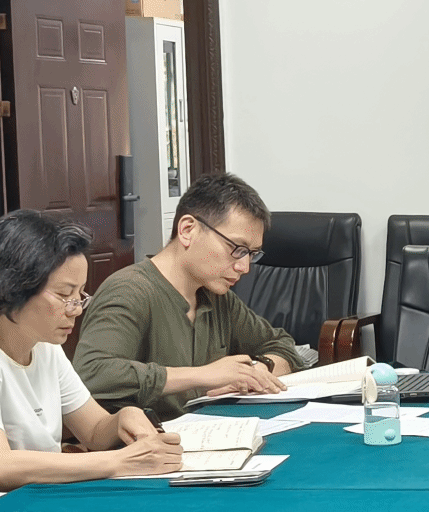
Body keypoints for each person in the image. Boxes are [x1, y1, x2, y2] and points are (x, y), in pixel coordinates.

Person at [0, 210, 184, 489]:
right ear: (11, 287)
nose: (76, 309)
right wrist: (119, 461)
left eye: (79, 295)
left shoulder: (44, 345)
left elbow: (94, 431)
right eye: (64, 295)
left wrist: (125, 417)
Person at [74, 171, 300, 418]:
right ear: (187, 230)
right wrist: (202, 376)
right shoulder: (129, 291)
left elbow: (283, 346)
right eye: (236, 248)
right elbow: (92, 373)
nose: (244, 267)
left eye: (251, 254)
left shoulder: (217, 296)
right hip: (147, 438)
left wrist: (256, 370)